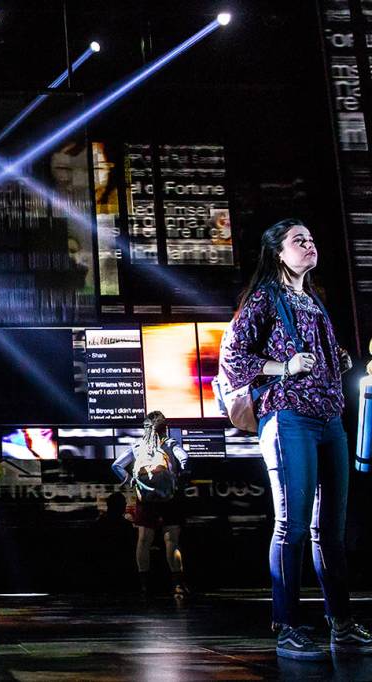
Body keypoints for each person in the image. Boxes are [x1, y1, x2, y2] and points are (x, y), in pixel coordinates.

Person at [221, 218, 372, 661]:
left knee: (331, 531)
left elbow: (315, 353)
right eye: (298, 240)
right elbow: (233, 359)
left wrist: (335, 357)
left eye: (311, 239)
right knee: (292, 526)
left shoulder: (312, 300)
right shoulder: (264, 298)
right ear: (277, 253)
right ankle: (288, 626)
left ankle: (340, 624)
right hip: (289, 419)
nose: (310, 245)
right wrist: (282, 368)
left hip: (329, 420)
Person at [111, 411, 189, 598]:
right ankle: (178, 584)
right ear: (165, 428)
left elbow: (116, 465)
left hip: (145, 499)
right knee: (171, 541)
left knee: (144, 541)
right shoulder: (170, 443)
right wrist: (180, 477)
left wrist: (130, 481)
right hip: (170, 497)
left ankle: (145, 586)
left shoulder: (137, 446)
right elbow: (184, 459)